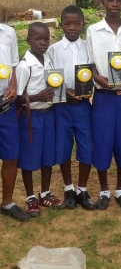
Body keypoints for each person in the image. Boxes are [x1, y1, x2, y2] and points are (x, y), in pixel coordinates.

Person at [87, 0, 121, 211]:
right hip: (104, 97)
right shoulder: (93, 31)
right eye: (110, 0)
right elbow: (90, 65)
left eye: (119, 0)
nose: (115, 5)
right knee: (103, 142)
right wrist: (98, 79)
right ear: (103, 2)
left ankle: (120, 189)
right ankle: (104, 190)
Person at [47, 5, 96, 211]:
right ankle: (68, 189)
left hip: (83, 107)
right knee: (63, 147)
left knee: (86, 147)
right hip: (62, 107)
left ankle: (82, 189)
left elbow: (96, 70)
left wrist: (87, 89)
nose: (72, 27)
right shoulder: (54, 50)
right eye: (67, 24)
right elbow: (50, 77)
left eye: (77, 23)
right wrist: (65, 92)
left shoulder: (89, 47)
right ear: (61, 25)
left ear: (83, 25)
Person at [16, 22, 65, 217]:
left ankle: (45, 193)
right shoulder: (24, 65)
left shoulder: (48, 61)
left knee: (47, 156)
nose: (42, 42)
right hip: (31, 117)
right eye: (38, 39)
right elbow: (17, 97)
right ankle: (30, 197)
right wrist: (38, 97)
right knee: (29, 157)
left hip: (48, 115)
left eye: (46, 39)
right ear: (28, 40)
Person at [0, 23, 30, 222]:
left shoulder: (8, 32)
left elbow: (13, 65)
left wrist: (12, 86)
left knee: (11, 156)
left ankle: (7, 203)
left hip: (5, 104)